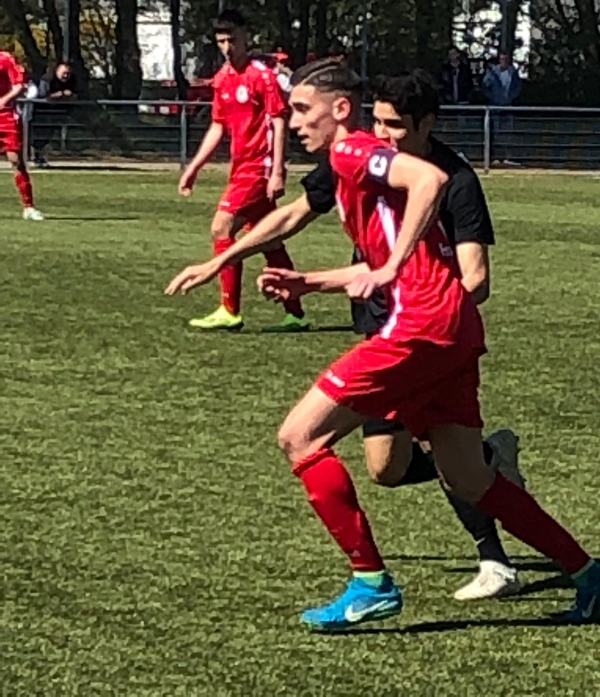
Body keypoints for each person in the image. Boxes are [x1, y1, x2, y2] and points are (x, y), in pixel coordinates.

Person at [167, 58, 600, 632]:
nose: (293, 121)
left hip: (420, 323)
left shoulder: (354, 150)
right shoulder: (352, 166)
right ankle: (589, 575)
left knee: (299, 437)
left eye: (303, 109)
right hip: (452, 325)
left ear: (340, 109)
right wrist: (305, 280)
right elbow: (342, 243)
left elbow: (430, 183)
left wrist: (390, 265)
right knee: (469, 478)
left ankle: (370, 582)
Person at [177, 9, 308, 332]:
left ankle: (229, 310)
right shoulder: (223, 78)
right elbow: (218, 126)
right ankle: (295, 313)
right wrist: (194, 167)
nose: (227, 47)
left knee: (221, 227)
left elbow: (279, 121)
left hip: (259, 168)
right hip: (240, 169)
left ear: (245, 37)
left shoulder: (261, 75)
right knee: (268, 239)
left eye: (232, 40)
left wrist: (278, 171)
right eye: (221, 41)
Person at [0, 51, 44, 220]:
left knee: (16, 160)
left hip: (5, 116)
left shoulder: (6, 59)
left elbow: (19, 85)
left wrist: (4, 100)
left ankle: (29, 207)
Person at [33, 60, 78, 167]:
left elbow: (76, 95)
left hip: (57, 113)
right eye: (64, 73)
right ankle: (35, 156)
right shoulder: (47, 79)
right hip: (41, 113)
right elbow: (42, 96)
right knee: (38, 136)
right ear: (57, 71)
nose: (66, 76)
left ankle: (39, 156)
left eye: (68, 73)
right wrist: (59, 95)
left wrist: (69, 96)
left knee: (48, 136)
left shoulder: (72, 80)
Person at [482, 51, 522, 166]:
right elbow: (485, 87)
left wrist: (511, 98)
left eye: (506, 59)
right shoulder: (492, 73)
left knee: (508, 132)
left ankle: (506, 157)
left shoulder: (513, 72)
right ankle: (496, 157)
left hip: (509, 106)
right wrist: (493, 98)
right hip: (495, 106)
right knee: (496, 133)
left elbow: (517, 87)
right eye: (502, 59)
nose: (503, 61)